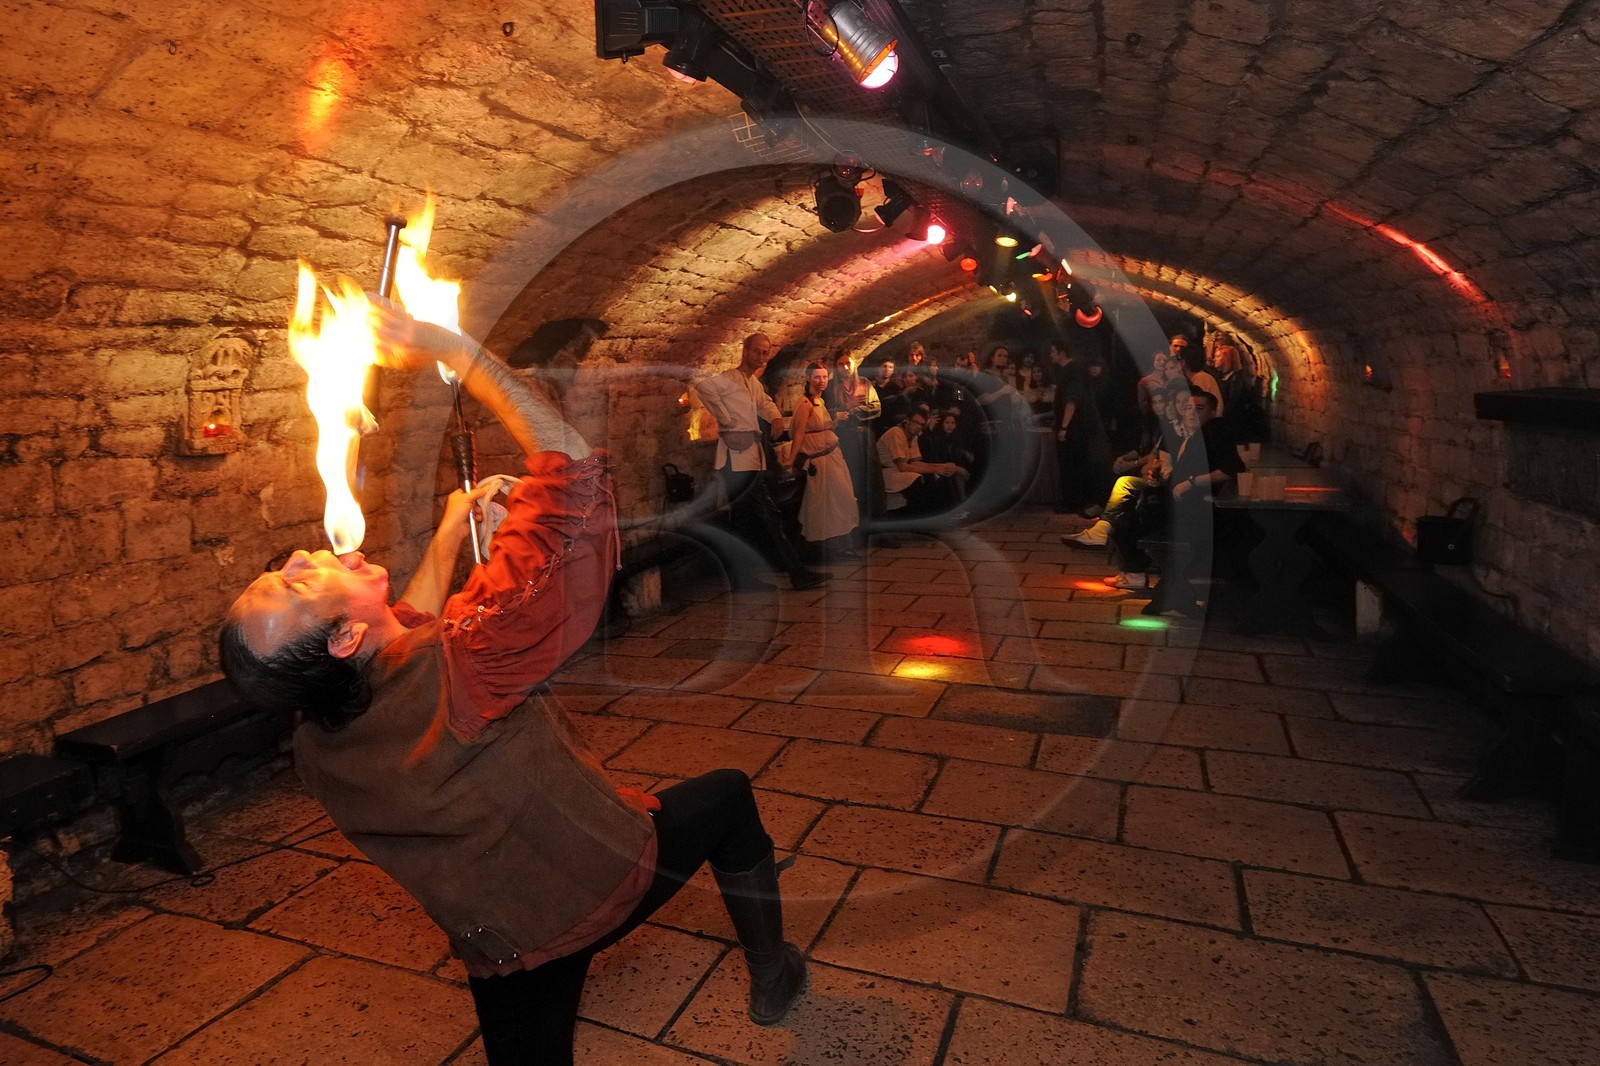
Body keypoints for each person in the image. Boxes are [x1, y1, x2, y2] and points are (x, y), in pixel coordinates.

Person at [220, 304, 807, 1065]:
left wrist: (448, 527)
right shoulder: (471, 664)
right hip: (605, 882)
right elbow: (574, 478)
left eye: (279, 570)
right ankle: (774, 970)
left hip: (504, 942)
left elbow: (408, 639)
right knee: (728, 795)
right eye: (293, 588)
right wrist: (458, 351)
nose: (298, 560)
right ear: (340, 638)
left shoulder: (320, 730)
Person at [693, 333, 827, 591]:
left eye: (766, 352)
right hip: (736, 463)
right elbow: (703, 388)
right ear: (745, 350)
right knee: (768, 517)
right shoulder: (730, 378)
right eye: (757, 351)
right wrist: (727, 422)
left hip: (751, 460)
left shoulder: (752, 383)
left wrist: (776, 418)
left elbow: (765, 403)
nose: (761, 356)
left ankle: (745, 578)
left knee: (745, 521)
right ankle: (796, 573)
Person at [1105, 386, 1244, 606]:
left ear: (1212, 412)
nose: (1192, 413)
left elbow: (1231, 468)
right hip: (1182, 506)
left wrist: (1191, 483)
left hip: (1194, 511)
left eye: (1199, 408)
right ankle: (1134, 571)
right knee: (1127, 516)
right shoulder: (1191, 434)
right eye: (1189, 408)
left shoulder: (1215, 432)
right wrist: (1158, 476)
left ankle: (1137, 575)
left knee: (1127, 523)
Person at [792, 361, 860, 554]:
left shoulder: (819, 401)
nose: (821, 381)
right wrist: (791, 459)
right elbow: (798, 433)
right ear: (808, 378)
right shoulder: (804, 403)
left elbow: (822, 427)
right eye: (817, 377)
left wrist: (836, 421)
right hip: (820, 460)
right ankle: (820, 547)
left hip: (833, 458)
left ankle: (838, 545)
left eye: (824, 377)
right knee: (822, 504)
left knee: (842, 499)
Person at [876, 405, 966, 517]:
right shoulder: (896, 432)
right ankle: (920, 518)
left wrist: (942, 466)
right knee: (919, 479)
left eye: (922, 424)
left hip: (899, 470)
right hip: (886, 473)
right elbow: (903, 466)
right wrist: (936, 469)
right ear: (907, 420)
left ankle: (940, 514)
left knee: (937, 474)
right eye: (916, 422)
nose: (918, 427)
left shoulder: (913, 436)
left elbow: (915, 462)